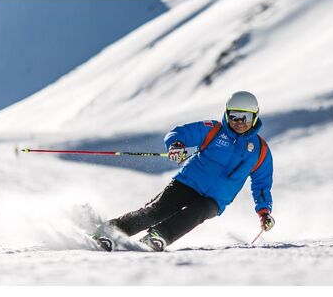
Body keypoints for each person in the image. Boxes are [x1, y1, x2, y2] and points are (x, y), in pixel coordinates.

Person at [94, 91, 275, 252]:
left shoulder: (261, 151)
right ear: (227, 114)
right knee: (156, 211)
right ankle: (107, 232)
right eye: (235, 116)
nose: (240, 122)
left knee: (199, 212)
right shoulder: (213, 130)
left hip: (216, 199)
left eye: (246, 118)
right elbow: (180, 133)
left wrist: (264, 212)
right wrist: (177, 145)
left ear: (255, 117)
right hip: (188, 182)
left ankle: (158, 237)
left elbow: (261, 184)